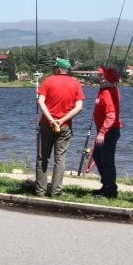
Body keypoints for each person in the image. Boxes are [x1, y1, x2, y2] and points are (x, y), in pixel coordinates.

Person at [35, 58, 84, 197]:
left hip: (46, 124)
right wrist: (61, 120)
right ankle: (56, 191)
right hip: (65, 126)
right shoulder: (76, 83)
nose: (53, 69)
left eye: (54, 67)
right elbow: (79, 107)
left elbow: (40, 101)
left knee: (42, 157)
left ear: (58, 69)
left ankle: (40, 190)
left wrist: (51, 120)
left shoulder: (49, 81)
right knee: (60, 158)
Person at [91, 66, 122, 198]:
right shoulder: (104, 90)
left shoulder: (108, 93)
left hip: (109, 131)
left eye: (103, 76)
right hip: (103, 129)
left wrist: (102, 133)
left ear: (109, 79)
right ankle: (106, 184)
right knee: (98, 157)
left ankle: (111, 190)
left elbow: (111, 116)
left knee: (107, 160)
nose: (100, 78)